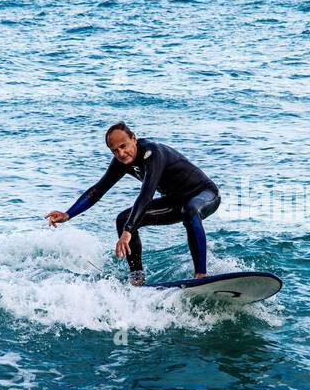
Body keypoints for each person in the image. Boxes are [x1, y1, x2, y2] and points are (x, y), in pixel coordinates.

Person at [46, 122, 221, 286]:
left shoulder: (153, 153)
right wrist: (68, 214)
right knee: (123, 219)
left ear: (134, 139)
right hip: (175, 202)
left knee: (189, 210)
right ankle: (137, 279)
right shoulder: (121, 163)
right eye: (114, 151)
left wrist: (128, 231)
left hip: (204, 194)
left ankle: (201, 275)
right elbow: (97, 191)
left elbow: (146, 194)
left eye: (123, 146)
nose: (120, 154)